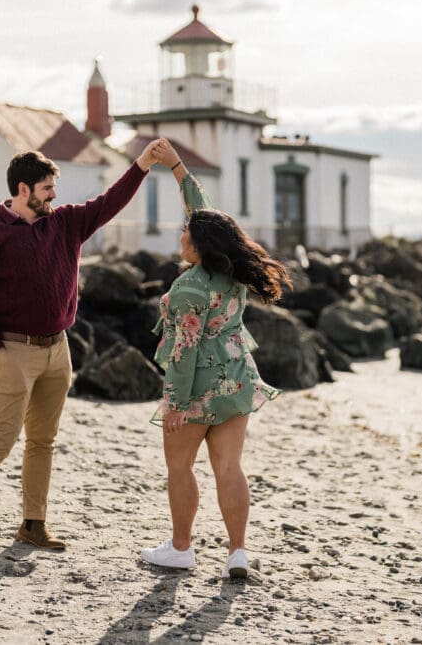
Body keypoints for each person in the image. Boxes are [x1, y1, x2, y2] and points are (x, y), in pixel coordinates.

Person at [0, 140, 164, 559]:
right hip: (14, 351)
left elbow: (109, 201)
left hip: (58, 350)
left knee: (42, 441)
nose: (54, 195)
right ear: (23, 189)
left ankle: (33, 524)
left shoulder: (66, 224)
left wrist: (142, 164)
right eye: (47, 188)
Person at [139, 139, 290, 578]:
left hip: (199, 391)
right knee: (229, 467)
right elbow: (204, 212)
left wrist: (176, 403)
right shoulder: (232, 271)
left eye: (186, 232)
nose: (181, 234)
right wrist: (178, 168)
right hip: (238, 379)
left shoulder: (189, 289)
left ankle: (182, 548)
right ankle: (237, 552)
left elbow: (184, 355)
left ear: (201, 243)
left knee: (180, 466)